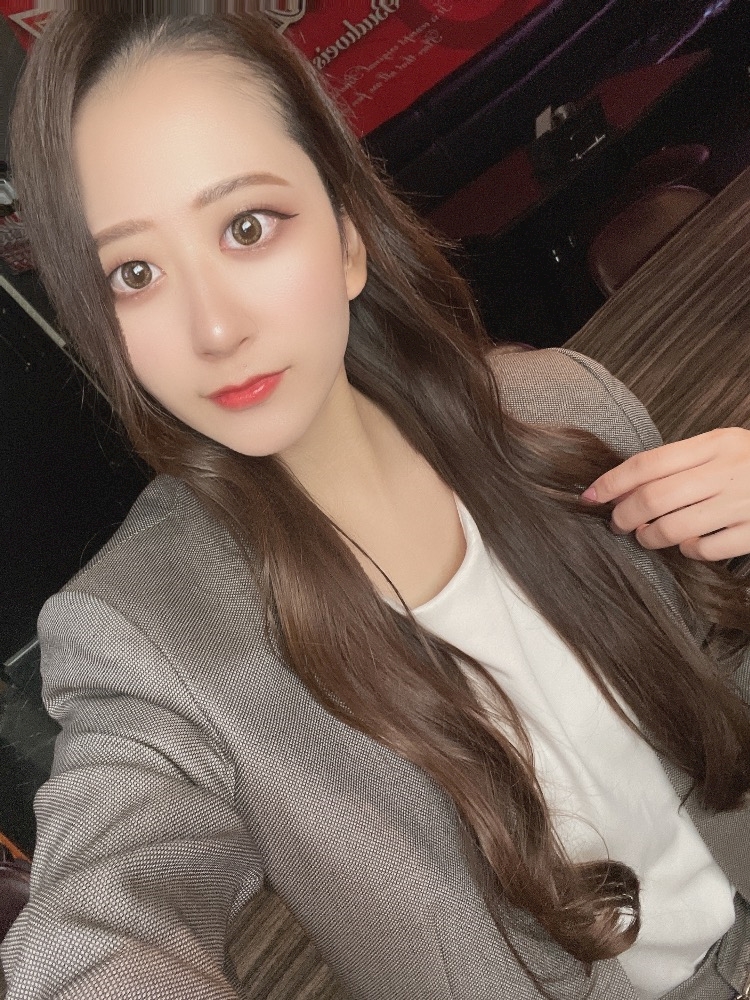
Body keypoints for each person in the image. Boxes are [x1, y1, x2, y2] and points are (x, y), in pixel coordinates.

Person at [3, 11, 750, 1000]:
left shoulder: (566, 406)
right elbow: (99, 928)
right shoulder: (144, 636)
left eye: (247, 226)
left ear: (348, 233)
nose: (213, 327)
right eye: (133, 274)